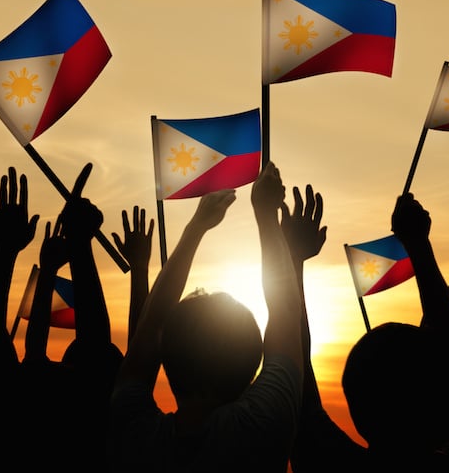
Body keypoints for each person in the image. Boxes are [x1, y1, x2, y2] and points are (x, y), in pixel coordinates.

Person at [108, 161, 303, 472]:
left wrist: (195, 228)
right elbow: (286, 313)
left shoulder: (134, 433)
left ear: (167, 358)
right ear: (252, 364)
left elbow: (151, 326)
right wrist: (266, 215)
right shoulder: (265, 426)